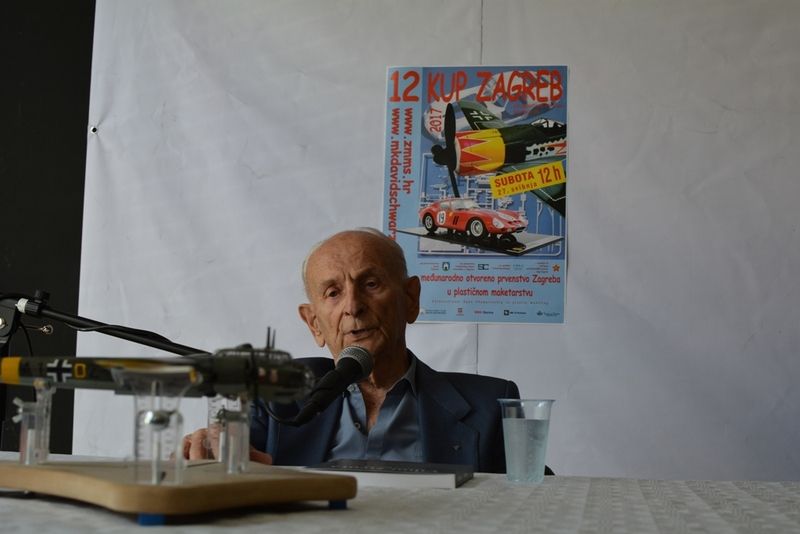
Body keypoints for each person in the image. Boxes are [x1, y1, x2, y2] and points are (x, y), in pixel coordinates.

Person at [184, 228, 519, 473]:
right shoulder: (275, 396)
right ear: (314, 323)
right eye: (333, 293)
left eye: (371, 284)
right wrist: (209, 451)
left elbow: (535, 499)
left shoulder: (490, 405)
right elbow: (227, 465)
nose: (353, 306)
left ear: (410, 299)